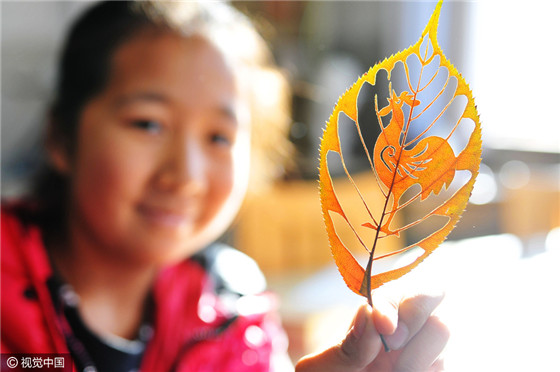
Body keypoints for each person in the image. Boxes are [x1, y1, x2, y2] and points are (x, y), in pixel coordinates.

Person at [0, 1, 449, 371]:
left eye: (219, 137)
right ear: (61, 137)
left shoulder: (232, 310)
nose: (186, 175)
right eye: (148, 124)